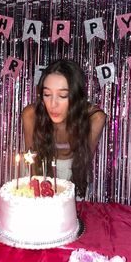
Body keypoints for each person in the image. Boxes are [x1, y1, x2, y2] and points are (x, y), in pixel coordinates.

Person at [22, 59, 106, 198]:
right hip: (41, 173)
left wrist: (65, 197)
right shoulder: (31, 115)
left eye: (63, 95)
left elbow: (84, 161)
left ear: (77, 96)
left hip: (75, 176)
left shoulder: (94, 118)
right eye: (47, 94)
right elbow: (33, 163)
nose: (53, 104)